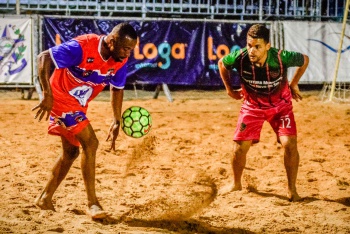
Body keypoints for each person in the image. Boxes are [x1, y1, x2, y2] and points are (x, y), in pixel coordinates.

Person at [32, 22, 137, 219]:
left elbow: (117, 88)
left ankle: (45, 198)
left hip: (77, 105)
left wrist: (116, 120)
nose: (128, 54)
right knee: (91, 143)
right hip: (60, 98)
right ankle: (93, 204)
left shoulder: (120, 60)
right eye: (125, 48)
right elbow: (43, 57)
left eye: (131, 49)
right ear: (112, 41)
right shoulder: (84, 46)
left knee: (70, 153)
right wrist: (46, 93)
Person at [217, 24, 309, 202]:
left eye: (257, 46)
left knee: (289, 144)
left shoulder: (282, 57)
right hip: (252, 107)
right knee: (239, 148)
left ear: (268, 46)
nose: (252, 50)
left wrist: (293, 84)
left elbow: (304, 60)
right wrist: (229, 89)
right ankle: (236, 184)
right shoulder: (240, 57)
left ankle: (292, 190)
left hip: (281, 107)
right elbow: (221, 64)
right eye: (249, 45)